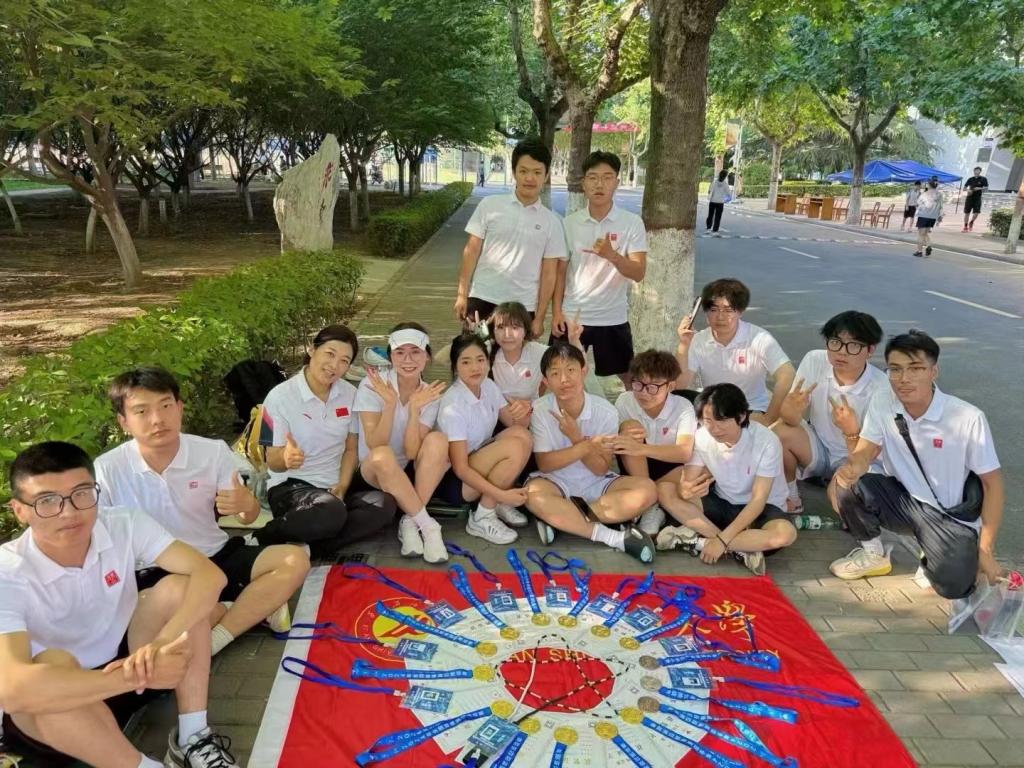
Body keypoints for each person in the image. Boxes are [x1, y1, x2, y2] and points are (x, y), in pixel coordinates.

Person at [0, 441, 236, 768]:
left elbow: (209, 575)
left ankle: (194, 736)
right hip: (64, 704)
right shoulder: (7, 571)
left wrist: (163, 642)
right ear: (20, 510)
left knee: (181, 590)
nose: (69, 512)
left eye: (82, 493)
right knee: (51, 664)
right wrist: (129, 678)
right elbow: (12, 689)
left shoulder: (124, 523)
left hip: (132, 664)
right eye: (47, 501)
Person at [95, 367, 311, 658]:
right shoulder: (107, 469)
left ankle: (217, 637)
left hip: (214, 555)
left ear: (180, 408)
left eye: (165, 406)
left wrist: (246, 504)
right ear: (123, 421)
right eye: (142, 411)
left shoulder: (211, 452)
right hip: (154, 572)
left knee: (294, 559)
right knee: (156, 637)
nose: (157, 419)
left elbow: (246, 518)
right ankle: (245, 607)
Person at [830, 330, 1003, 599]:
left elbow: (993, 485)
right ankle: (874, 554)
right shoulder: (883, 401)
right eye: (895, 369)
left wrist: (986, 551)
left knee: (954, 588)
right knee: (845, 484)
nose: (904, 378)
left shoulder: (967, 417)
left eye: (915, 368)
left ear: (934, 371)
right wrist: (854, 466)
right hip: (903, 502)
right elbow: (866, 450)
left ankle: (936, 552)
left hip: (947, 515)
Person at [252, 325, 398, 557]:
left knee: (384, 504)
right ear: (312, 350)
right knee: (331, 512)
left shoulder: (349, 394)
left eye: (344, 361)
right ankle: (265, 536)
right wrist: (286, 458)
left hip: (334, 487)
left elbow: (350, 449)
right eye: (330, 354)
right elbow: (273, 462)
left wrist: (342, 486)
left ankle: (311, 547)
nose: (334, 365)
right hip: (292, 486)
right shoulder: (278, 397)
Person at [525, 343, 658, 562]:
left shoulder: (605, 411)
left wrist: (576, 437)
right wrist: (586, 445)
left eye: (570, 370)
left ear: (583, 371)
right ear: (546, 381)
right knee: (532, 494)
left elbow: (600, 469)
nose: (564, 379)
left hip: (596, 483)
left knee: (648, 490)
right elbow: (545, 464)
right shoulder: (540, 409)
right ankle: (613, 537)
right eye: (555, 373)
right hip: (555, 481)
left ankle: (561, 519)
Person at [656, 384, 797, 575]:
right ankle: (741, 548)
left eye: (721, 420)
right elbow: (688, 480)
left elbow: (758, 500)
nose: (714, 429)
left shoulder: (766, 441)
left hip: (762, 509)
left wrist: (721, 542)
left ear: (741, 416)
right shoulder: (702, 436)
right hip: (723, 503)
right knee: (665, 490)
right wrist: (686, 490)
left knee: (785, 534)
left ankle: (699, 542)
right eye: (708, 420)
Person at [771, 311, 888, 514]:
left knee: (841, 496)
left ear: (870, 350)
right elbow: (789, 420)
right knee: (777, 432)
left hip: (855, 459)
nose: (841, 352)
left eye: (853, 345)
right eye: (835, 342)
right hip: (819, 448)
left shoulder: (882, 388)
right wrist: (790, 409)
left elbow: (869, 455)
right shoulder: (815, 360)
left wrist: (851, 432)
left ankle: (858, 522)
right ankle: (791, 497)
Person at [353, 323, 451, 563]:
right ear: (391, 357)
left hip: (405, 467)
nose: (408, 360)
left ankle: (409, 522)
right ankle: (428, 526)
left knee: (438, 440)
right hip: (373, 470)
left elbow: (412, 451)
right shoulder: (372, 385)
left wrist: (415, 410)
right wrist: (390, 404)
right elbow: (375, 444)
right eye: (400, 352)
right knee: (383, 455)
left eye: (416, 351)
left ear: (427, 356)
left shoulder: (429, 394)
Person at [454, 137, 567, 338]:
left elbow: (549, 273)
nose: (530, 178)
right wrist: (462, 295)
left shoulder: (553, 222)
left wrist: (540, 317)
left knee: (515, 358)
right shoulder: (490, 206)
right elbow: (471, 251)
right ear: (514, 172)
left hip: (523, 307)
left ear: (546, 175)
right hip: (482, 297)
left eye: (537, 172)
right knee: (475, 355)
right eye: (523, 171)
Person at [552, 150, 647, 384]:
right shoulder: (569, 224)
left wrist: (612, 255)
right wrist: (556, 313)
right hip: (573, 316)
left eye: (607, 177)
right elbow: (560, 272)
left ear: (617, 182)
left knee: (629, 379)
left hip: (612, 317)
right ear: (583, 183)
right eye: (593, 178)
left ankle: (635, 410)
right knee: (555, 373)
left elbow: (638, 273)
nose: (599, 184)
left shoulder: (631, 223)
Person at [434, 333, 533, 543]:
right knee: (514, 447)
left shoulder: (488, 386)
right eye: (466, 362)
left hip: (477, 460)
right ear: (455, 367)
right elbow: (460, 468)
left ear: (488, 362)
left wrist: (524, 410)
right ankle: (483, 516)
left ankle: (493, 503)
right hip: (456, 482)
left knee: (522, 435)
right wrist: (503, 494)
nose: (475, 368)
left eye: (480, 360)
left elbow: (516, 425)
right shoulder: (454, 405)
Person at [676, 278, 795, 425]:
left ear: (740, 312)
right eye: (713, 310)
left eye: (728, 310)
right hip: (714, 411)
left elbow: (787, 375)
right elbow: (679, 385)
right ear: (706, 312)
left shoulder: (758, 337)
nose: (720, 317)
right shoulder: (698, 340)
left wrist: (770, 417)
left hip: (751, 410)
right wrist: (684, 344)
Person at [613, 350, 698, 535]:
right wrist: (634, 444)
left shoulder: (683, 407)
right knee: (630, 428)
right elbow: (619, 443)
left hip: (669, 465)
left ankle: (647, 501)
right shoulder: (625, 401)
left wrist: (642, 448)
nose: (644, 393)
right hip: (634, 464)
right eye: (638, 384)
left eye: (653, 387)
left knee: (698, 471)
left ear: (670, 386)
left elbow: (684, 452)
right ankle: (651, 501)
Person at [488, 301, 583, 429]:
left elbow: (577, 367)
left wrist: (574, 340)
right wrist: (472, 335)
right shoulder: (486, 352)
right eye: (500, 327)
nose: (507, 334)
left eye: (515, 327)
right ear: (493, 331)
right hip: (494, 419)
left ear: (525, 330)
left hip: (531, 418)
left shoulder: (538, 352)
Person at [914, 177, 943, 257]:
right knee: (925, 233)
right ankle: (929, 245)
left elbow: (918, 203)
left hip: (924, 215)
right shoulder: (939, 194)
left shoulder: (924, 194)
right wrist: (940, 216)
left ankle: (919, 251)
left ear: (929, 185)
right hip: (933, 216)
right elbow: (941, 206)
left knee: (921, 234)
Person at [962, 166, 989, 232]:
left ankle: (971, 222)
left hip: (977, 198)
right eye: (975, 170)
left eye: (978, 170)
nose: (976, 171)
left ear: (980, 171)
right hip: (969, 197)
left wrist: (979, 188)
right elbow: (964, 188)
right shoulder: (970, 179)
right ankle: (965, 226)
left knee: (976, 213)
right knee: (967, 213)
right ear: (974, 171)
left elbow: (986, 188)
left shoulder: (983, 179)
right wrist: (968, 190)